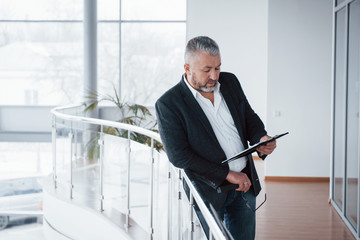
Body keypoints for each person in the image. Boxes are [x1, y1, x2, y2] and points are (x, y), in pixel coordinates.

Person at [155, 36, 276, 240]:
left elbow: (248, 117)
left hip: (244, 185)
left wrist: (260, 138)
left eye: (217, 68)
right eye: (207, 70)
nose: (214, 75)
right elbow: (179, 156)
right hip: (208, 191)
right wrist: (227, 174)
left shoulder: (230, 82)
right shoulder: (169, 104)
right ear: (187, 67)